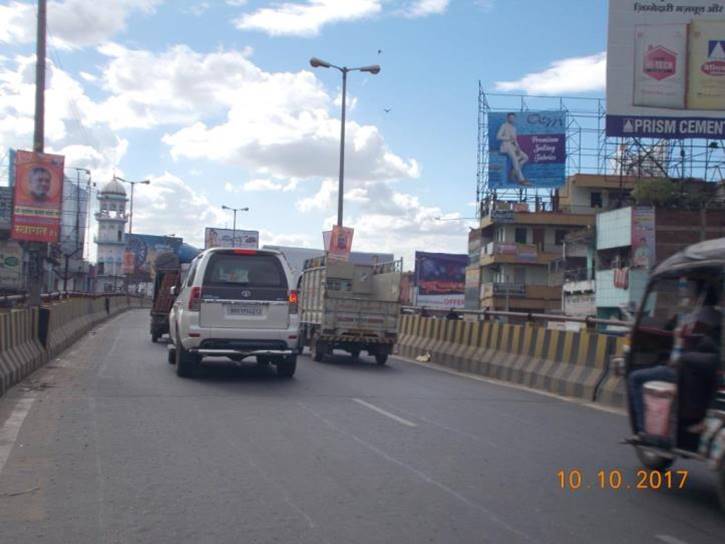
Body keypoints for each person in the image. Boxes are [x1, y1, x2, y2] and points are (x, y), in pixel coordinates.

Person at [627, 282, 720, 436]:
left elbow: (683, 352)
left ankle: (644, 432)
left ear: (699, 297)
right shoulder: (717, 317)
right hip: (705, 371)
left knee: (635, 378)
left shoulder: (697, 319)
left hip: (685, 372)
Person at [496, 113, 529, 186]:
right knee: (515, 159)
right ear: (507, 118)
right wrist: (508, 138)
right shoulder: (504, 125)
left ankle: (513, 173)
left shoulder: (514, 128)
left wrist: (518, 147)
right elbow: (498, 137)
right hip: (506, 145)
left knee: (525, 157)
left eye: (513, 118)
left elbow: (514, 140)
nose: (512, 119)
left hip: (513, 146)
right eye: (510, 118)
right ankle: (521, 179)